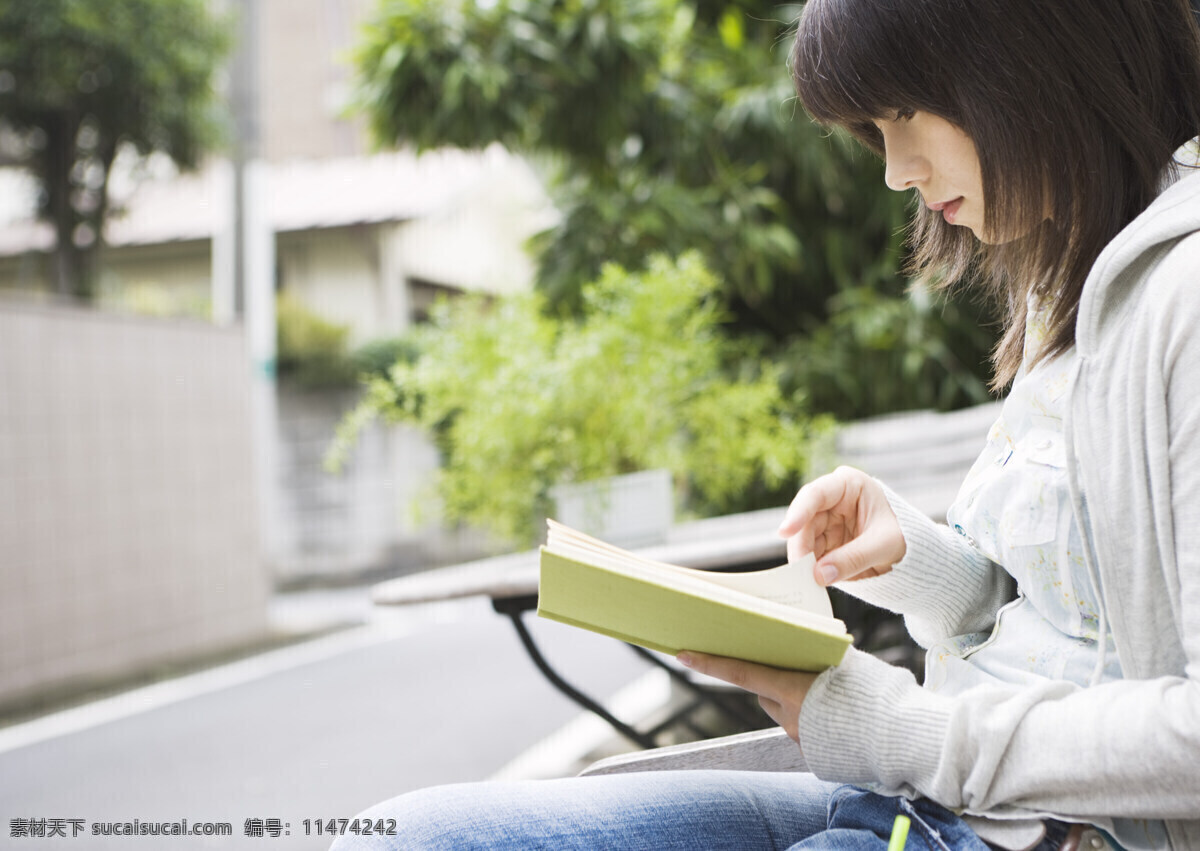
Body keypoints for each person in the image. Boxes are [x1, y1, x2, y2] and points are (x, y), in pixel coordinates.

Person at [332, 0, 1200, 848]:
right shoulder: (1077, 280)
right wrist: (919, 561)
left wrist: (907, 730)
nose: (896, 167)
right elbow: (1065, 624)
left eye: (906, 110)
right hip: (922, 798)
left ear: (1039, 59)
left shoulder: (1183, 294)